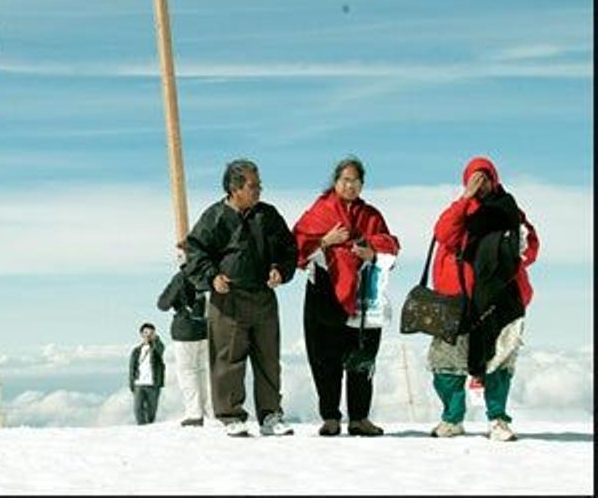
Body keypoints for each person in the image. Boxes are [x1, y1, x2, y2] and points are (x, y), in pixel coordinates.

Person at [183, 159, 298, 437]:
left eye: (259, 185)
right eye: (253, 186)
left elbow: (288, 248)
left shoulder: (267, 215)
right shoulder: (215, 217)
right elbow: (195, 252)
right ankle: (230, 415)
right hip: (228, 300)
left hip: (263, 297)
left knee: (268, 359)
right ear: (235, 189)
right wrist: (212, 277)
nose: (259, 190)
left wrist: (280, 270)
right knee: (228, 359)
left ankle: (270, 415)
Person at [426, 157, 538, 442]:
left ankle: (498, 419)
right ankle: (452, 418)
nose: (481, 184)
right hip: (457, 297)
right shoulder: (460, 209)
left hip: (500, 298)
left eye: (485, 177)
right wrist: (465, 198)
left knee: (499, 359)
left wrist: (513, 255)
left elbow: (530, 247)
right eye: (475, 178)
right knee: (447, 361)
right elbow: (443, 234)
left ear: (495, 179)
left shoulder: (510, 209)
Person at [292, 156, 400, 436]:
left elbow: (389, 245)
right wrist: (326, 241)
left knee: (362, 355)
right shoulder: (320, 210)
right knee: (324, 357)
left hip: (364, 293)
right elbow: (297, 246)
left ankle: (359, 418)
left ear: (362, 184)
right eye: (345, 180)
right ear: (336, 182)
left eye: (356, 181)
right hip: (325, 288)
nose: (350, 186)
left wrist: (371, 253)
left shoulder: (371, 215)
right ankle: (330, 417)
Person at [157, 244, 212, 426]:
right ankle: (209, 411)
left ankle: (194, 413)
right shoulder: (206, 275)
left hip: (185, 330)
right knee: (203, 371)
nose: (178, 258)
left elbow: (163, 304)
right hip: (205, 329)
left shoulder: (181, 277)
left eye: (180, 255)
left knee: (187, 372)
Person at [128, 323, 166, 424]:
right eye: (145, 332)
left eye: (151, 333)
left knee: (151, 411)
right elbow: (132, 368)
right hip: (138, 384)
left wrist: (155, 339)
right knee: (138, 409)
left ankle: (149, 428)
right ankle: (142, 428)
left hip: (153, 384)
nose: (148, 335)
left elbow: (161, 349)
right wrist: (131, 383)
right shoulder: (136, 351)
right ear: (141, 334)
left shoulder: (157, 348)